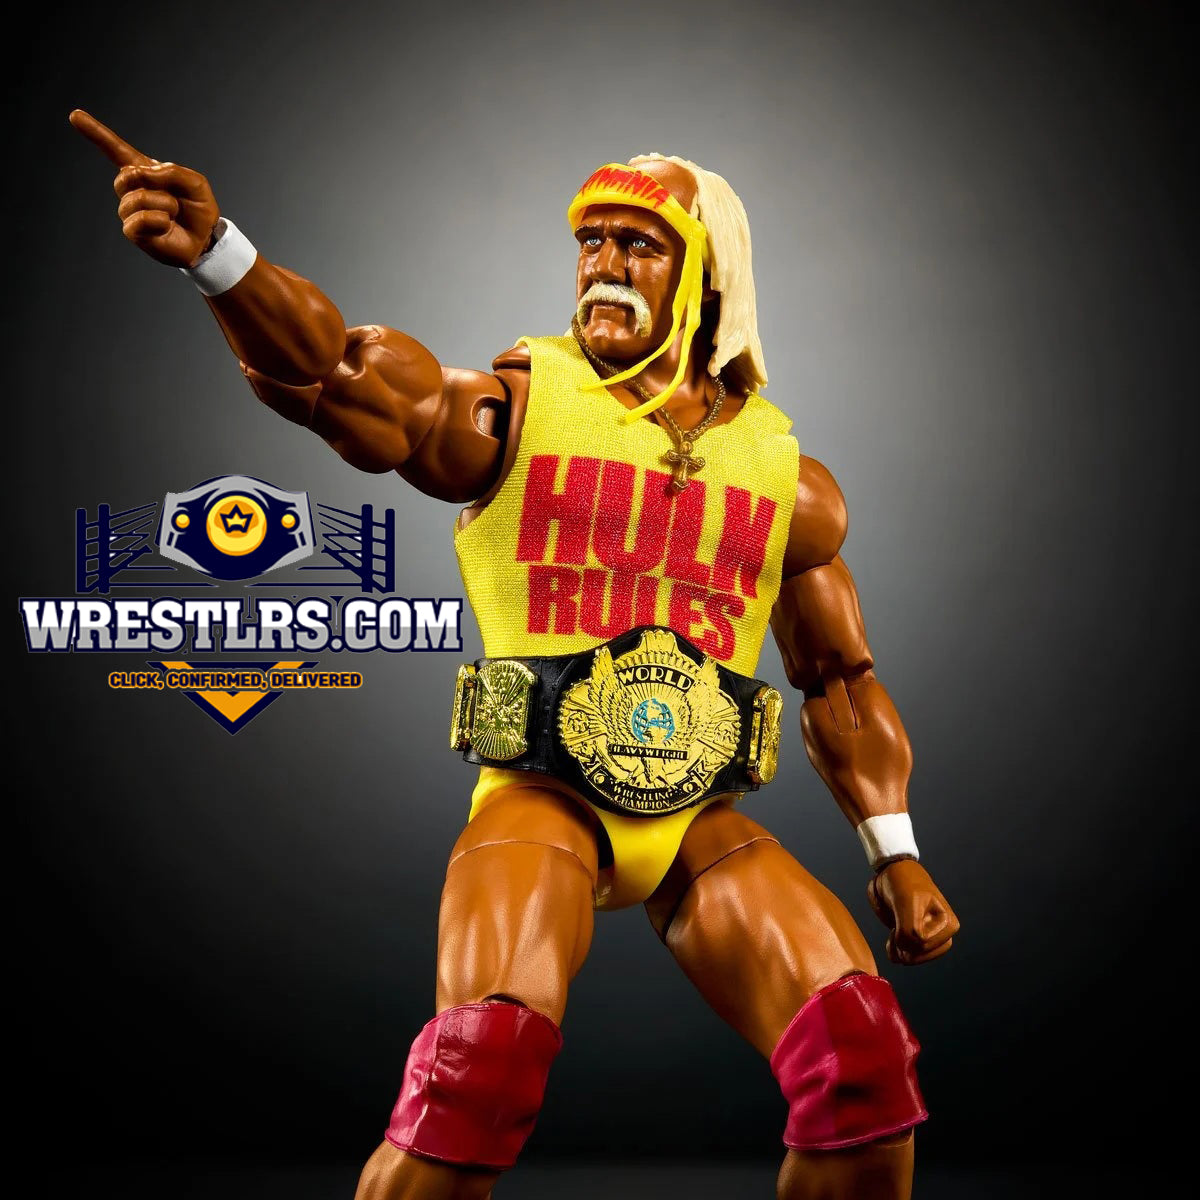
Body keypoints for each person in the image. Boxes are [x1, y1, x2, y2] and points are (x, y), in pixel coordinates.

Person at [72, 109, 960, 1200]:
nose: (603, 264)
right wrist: (219, 256)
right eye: (592, 241)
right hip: (542, 799)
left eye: (639, 244)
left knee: (865, 1066)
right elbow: (339, 380)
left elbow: (838, 678)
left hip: (701, 821)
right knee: (479, 1073)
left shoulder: (787, 477)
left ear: (710, 275)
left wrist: (894, 851)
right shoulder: (524, 406)